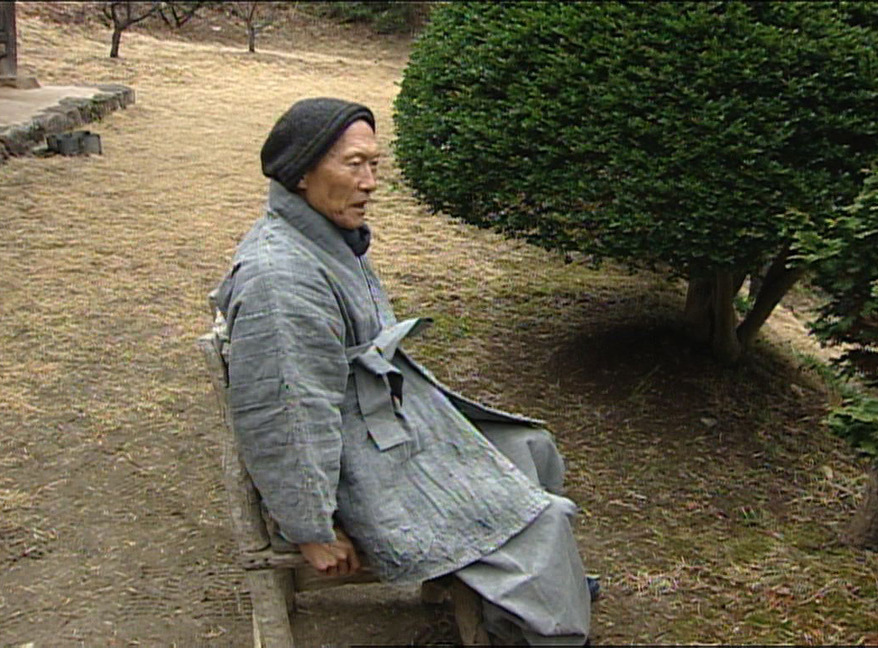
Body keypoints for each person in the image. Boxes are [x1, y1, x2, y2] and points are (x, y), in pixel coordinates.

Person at [212, 97, 593, 645]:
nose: (370, 183)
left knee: (529, 447)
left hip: (378, 422)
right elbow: (286, 415)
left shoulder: (324, 234)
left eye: (374, 164)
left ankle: (521, 595)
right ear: (300, 173)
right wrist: (311, 528)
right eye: (354, 165)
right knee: (542, 524)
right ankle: (534, 621)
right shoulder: (281, 279)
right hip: (350, 463)